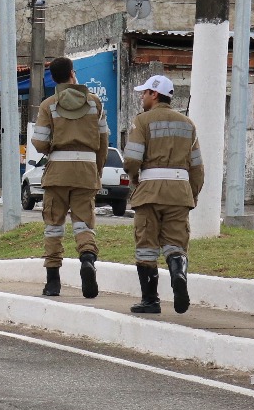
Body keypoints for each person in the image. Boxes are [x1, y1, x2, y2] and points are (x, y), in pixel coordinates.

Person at [122, 75, 204, 315]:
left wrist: (135, 180)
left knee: (146, 246)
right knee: (176, 244)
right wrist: (192, 194)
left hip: (150, 192)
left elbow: (131, 160)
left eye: (144, 92)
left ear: (154, 94)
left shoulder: (142, 121)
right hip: (179, 192)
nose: (141, 96)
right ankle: (178, 273)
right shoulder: (188, 124)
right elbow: (197, 167)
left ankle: (150, 300)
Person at [31, 57, 108, 299]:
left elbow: (40, 142)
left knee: (54, 226)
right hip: (86, 171)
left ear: (53, 78)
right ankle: (87, 259)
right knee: (84, 224)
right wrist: (96, 169)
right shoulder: (95, 103)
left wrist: (52, 146)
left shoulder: (48, 105)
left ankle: (53, 282)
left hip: (58, 173)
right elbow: (104, 142)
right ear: (73, 74)